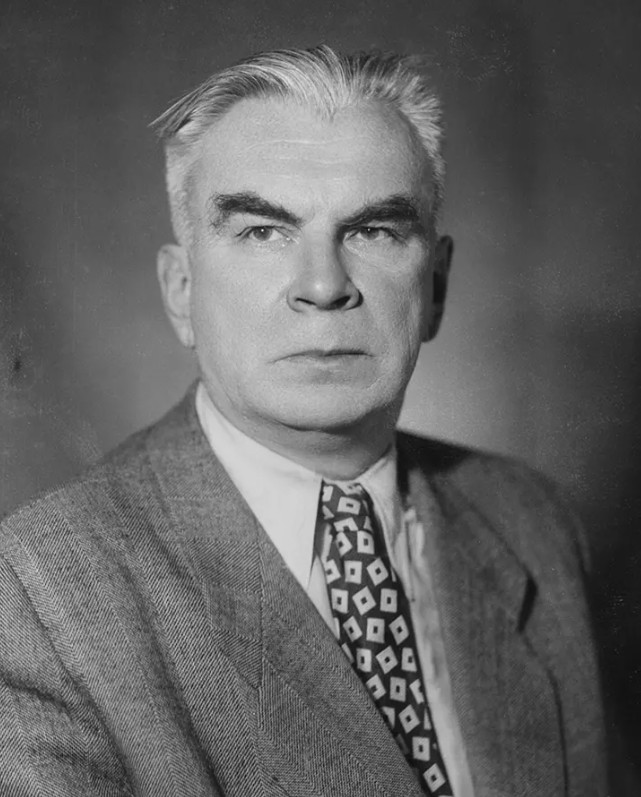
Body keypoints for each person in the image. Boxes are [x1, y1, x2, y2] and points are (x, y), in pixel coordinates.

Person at [0, 46, 607, 796]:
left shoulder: (533, 523)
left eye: (374, 231)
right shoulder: (38, 594)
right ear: (181, 290)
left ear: (436, 287)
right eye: (263, 231)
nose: (323, 286)